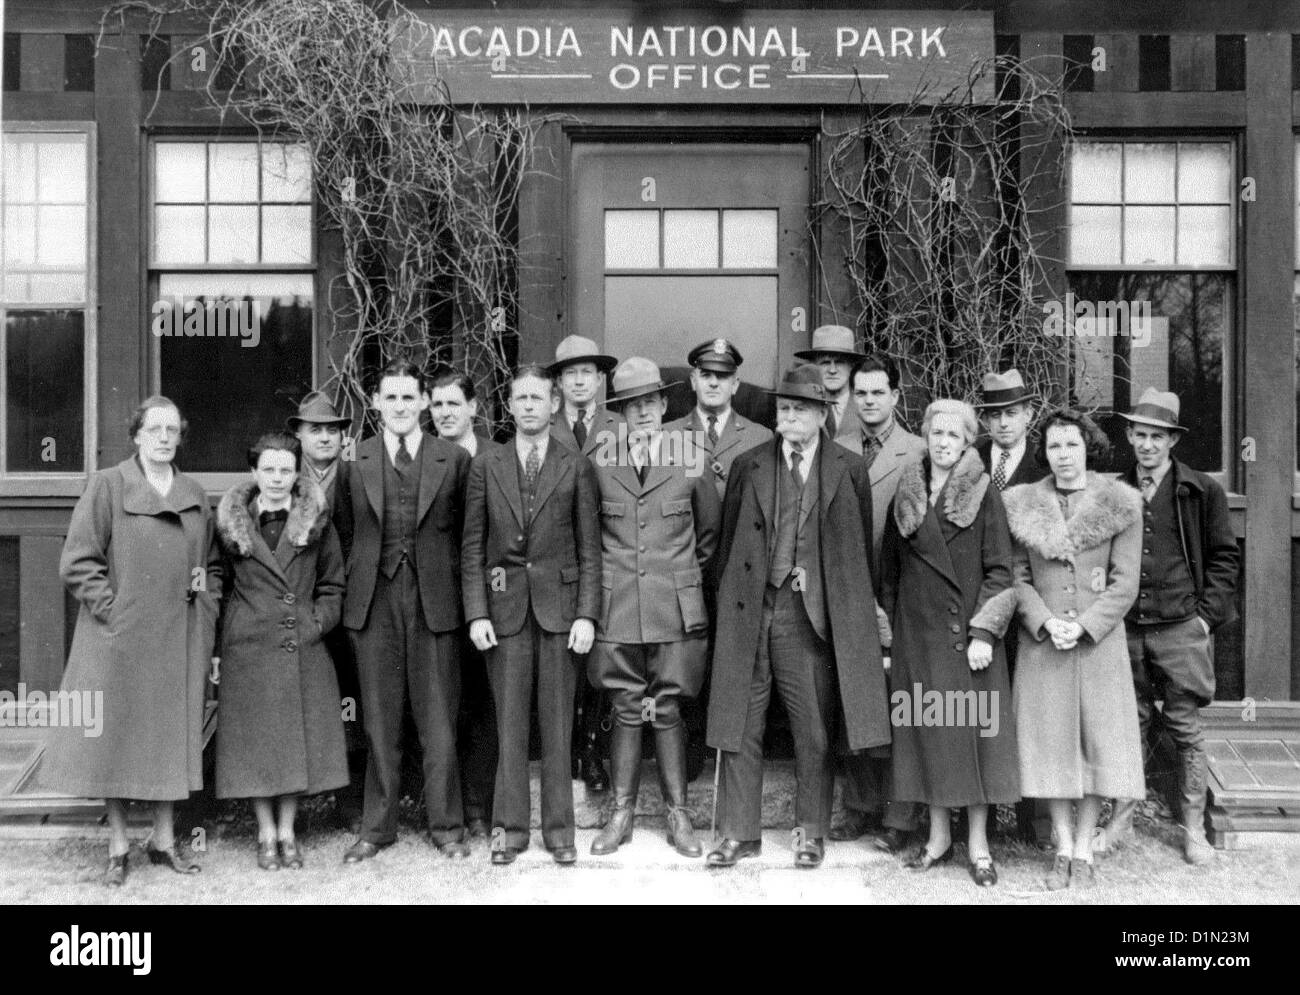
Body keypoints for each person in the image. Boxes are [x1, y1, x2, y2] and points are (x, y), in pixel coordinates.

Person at [706, 364, 890, 870]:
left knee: (812, 728)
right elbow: (725, 547)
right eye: (783, 409)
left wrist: (847, 615)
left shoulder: (848, 468)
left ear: (822, 414)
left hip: (808, 617)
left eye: (801, 409)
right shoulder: (750, 464)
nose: (790, 417)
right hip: (752, 608)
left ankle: (810, 831)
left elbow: (859, 555)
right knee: (741, 723)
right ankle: (738, 834)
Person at [43, 396, 219, 886]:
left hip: (176, 639)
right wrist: (113, 610)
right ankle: (118, 845)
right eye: (154, 429)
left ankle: (163, 840)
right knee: (114, 740)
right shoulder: (108, 484)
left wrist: (203, 606)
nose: (164, 438)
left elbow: (209, 565)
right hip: (116, 639)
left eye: (172, 430)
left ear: (181, 437)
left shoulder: (194, 492)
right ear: (137, 435)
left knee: (168, 737)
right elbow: (78, 560)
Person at [333, 360, 473, 863]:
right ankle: (378, 827)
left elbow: (465, 536)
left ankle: (447, 826)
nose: (399, 407)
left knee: (438, 719)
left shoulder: (451, 459)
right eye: (389, 398)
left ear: (423, 404)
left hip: (436, 602)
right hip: (374, 602)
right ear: (376, 402)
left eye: (408, 398)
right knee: (380, 719)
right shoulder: (357, 459)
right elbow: (346, 534)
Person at [462, 364, 602, 865]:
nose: (527, 406)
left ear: (554, 405)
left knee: (559, 725)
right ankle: (509, 831)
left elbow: (590, 550)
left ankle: (561, 833)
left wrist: (587, 614)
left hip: (561, 615)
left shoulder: (575, 466)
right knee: (510, 726)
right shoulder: (487, 465)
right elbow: (473, 548)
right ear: (509, 406)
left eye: (537, 398)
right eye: (519, 398)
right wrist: (477, 612)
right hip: (504, 615)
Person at [1001, 408, 1145, 890]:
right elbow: (1016, 576)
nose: (1064, 455)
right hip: (1043, 645)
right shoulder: (1021, 502)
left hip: (1097, 646)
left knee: (1095, 744)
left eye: (1073, 445)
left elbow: (1125, 583)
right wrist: (1043, 621)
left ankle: (1085, 848)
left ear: (1089, 447)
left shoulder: (1120, 502)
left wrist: (1083, 627)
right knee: (1052, 746)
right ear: (1045, 452)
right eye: (1055, 446)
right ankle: (1062, 844)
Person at [879, 400, 1019, 887]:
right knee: (928, 742)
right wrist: (888, 640)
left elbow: (1002, 573)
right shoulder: (907, 492)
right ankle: (938, 838)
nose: (942, 443)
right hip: (918, 640)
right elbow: (888, 577)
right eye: (935, 433)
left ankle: (978, 845)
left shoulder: (984, 494)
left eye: (953, 436)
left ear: (966, 442)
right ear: (925, 437)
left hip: (968, 644)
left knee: (973, 743)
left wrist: (984, 632)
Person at [588, 357, 721, 858]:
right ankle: (620, 813)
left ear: (665, 405)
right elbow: (591, 534)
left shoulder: (692, 454)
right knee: (626, 705)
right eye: (630, 405)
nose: (642, 412)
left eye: (650, 402)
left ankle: (677, 814)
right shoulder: (600, 458)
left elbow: (708, 536)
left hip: (674, 605)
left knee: (666, 706)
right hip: (617, 604)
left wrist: (678, 579)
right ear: (618, 412)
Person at [1110, 388, 1240, 865]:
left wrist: (1205, 618)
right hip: (1128, 629)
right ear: (1128, 435)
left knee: (1184, 726)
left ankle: (1193, 829)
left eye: (1157, 436)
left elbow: (1226, 557)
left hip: (1182, 626)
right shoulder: (1116, 491)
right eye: (1140, 434)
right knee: (1132, 723)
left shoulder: (1201, 489)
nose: (1147, 445)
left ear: (1172, 441)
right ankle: (1122, 818)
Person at [212, 431, 348, 871]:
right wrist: (228, 632)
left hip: (299, 644)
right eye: (267, 469)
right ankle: (264, 830)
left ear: (297, 474)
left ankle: (287, 830)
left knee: (293, 740)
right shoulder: (232, 522)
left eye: (285, 470)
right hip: (248, 647)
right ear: (253, 473)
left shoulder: (317, 522)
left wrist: (315, 623)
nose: (276, 478)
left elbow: (333, 583)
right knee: (255, 742)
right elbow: (219, 580)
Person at [664, 338, 773, 782]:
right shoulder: (669, 435)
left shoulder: (761, 436)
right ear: (693, 380)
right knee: (688, 664)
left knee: (737, 665)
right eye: (705, 375)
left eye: (722, 377)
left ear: (735, 384)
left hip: (740, 572)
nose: (713, 383)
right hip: (685, 572)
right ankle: (688, 761)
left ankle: (729, 761)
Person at [832, 353, 927, 853]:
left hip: (899, 589)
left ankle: (900, 814)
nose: (868, 401)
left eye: (877, 392)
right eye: (860, 393)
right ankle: (859, 806)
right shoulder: (837, 447)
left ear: (895, 395)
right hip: (847, 589)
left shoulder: (919, 452)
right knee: (852, 700)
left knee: (898, 701)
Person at [974, 368, 1048, 843]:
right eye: (994, 415)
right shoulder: (971, 462)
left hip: (1031, 601)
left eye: (1012, 413)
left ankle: (1034, 819)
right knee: (980, 704)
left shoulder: (1045, 465)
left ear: (1028, 415)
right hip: (980, 599)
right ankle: (973, 812)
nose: (1003, 424)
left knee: (1031, 706)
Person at [289, 391, 365, 833]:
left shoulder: (358, 476)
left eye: (332, 430)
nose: (324, 438)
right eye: (314, 429)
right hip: (301, 607)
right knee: (303, 701)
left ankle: (350, 800)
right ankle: (295, 799)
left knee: (351, 701)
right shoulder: (281, 477)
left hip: (353, 606)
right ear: (298, 434)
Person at [548, 334, 621, 794]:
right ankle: (566, 753)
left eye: (587, 373)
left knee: (599, 663)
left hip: (606, 557)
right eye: (570, 373)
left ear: (599, 380)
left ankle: (594, 751)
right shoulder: (540, 425)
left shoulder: (620, 427)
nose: (579, 381)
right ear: (558, 382)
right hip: (556, 562)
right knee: (560, 665)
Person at [429, 369, 499, 837]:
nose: (445, 413)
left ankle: (481, 806)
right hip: (436, 604)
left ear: (474, 408)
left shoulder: (496, 457)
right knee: (442, 706)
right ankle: (445, 805)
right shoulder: (424, 458)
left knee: (484, 703)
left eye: (454, 404)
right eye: (436, 405)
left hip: (489, 600)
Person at [794, 324, 867, 452]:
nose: (832, 370)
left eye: (839, 362)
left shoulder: (868, 407)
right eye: (825, 363)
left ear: (851, 366)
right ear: (814, 367)